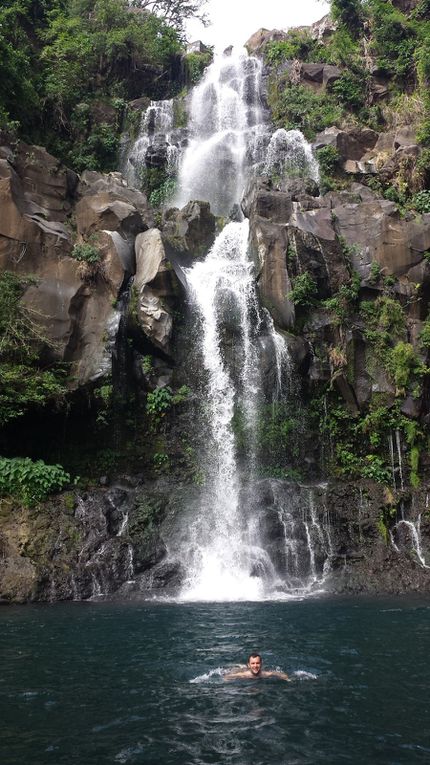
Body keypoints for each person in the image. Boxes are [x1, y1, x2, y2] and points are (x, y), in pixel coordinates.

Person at [224, 652, 290, 681]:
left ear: (261, 663)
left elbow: (281, 674)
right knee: (239, 668)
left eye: (257, 663)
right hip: (244, 670)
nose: (255, 666)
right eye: (253, 663)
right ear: (249, 665)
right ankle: (242, 666)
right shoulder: (244, 674)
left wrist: (287, 679)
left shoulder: (265, 674)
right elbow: (227, 676)